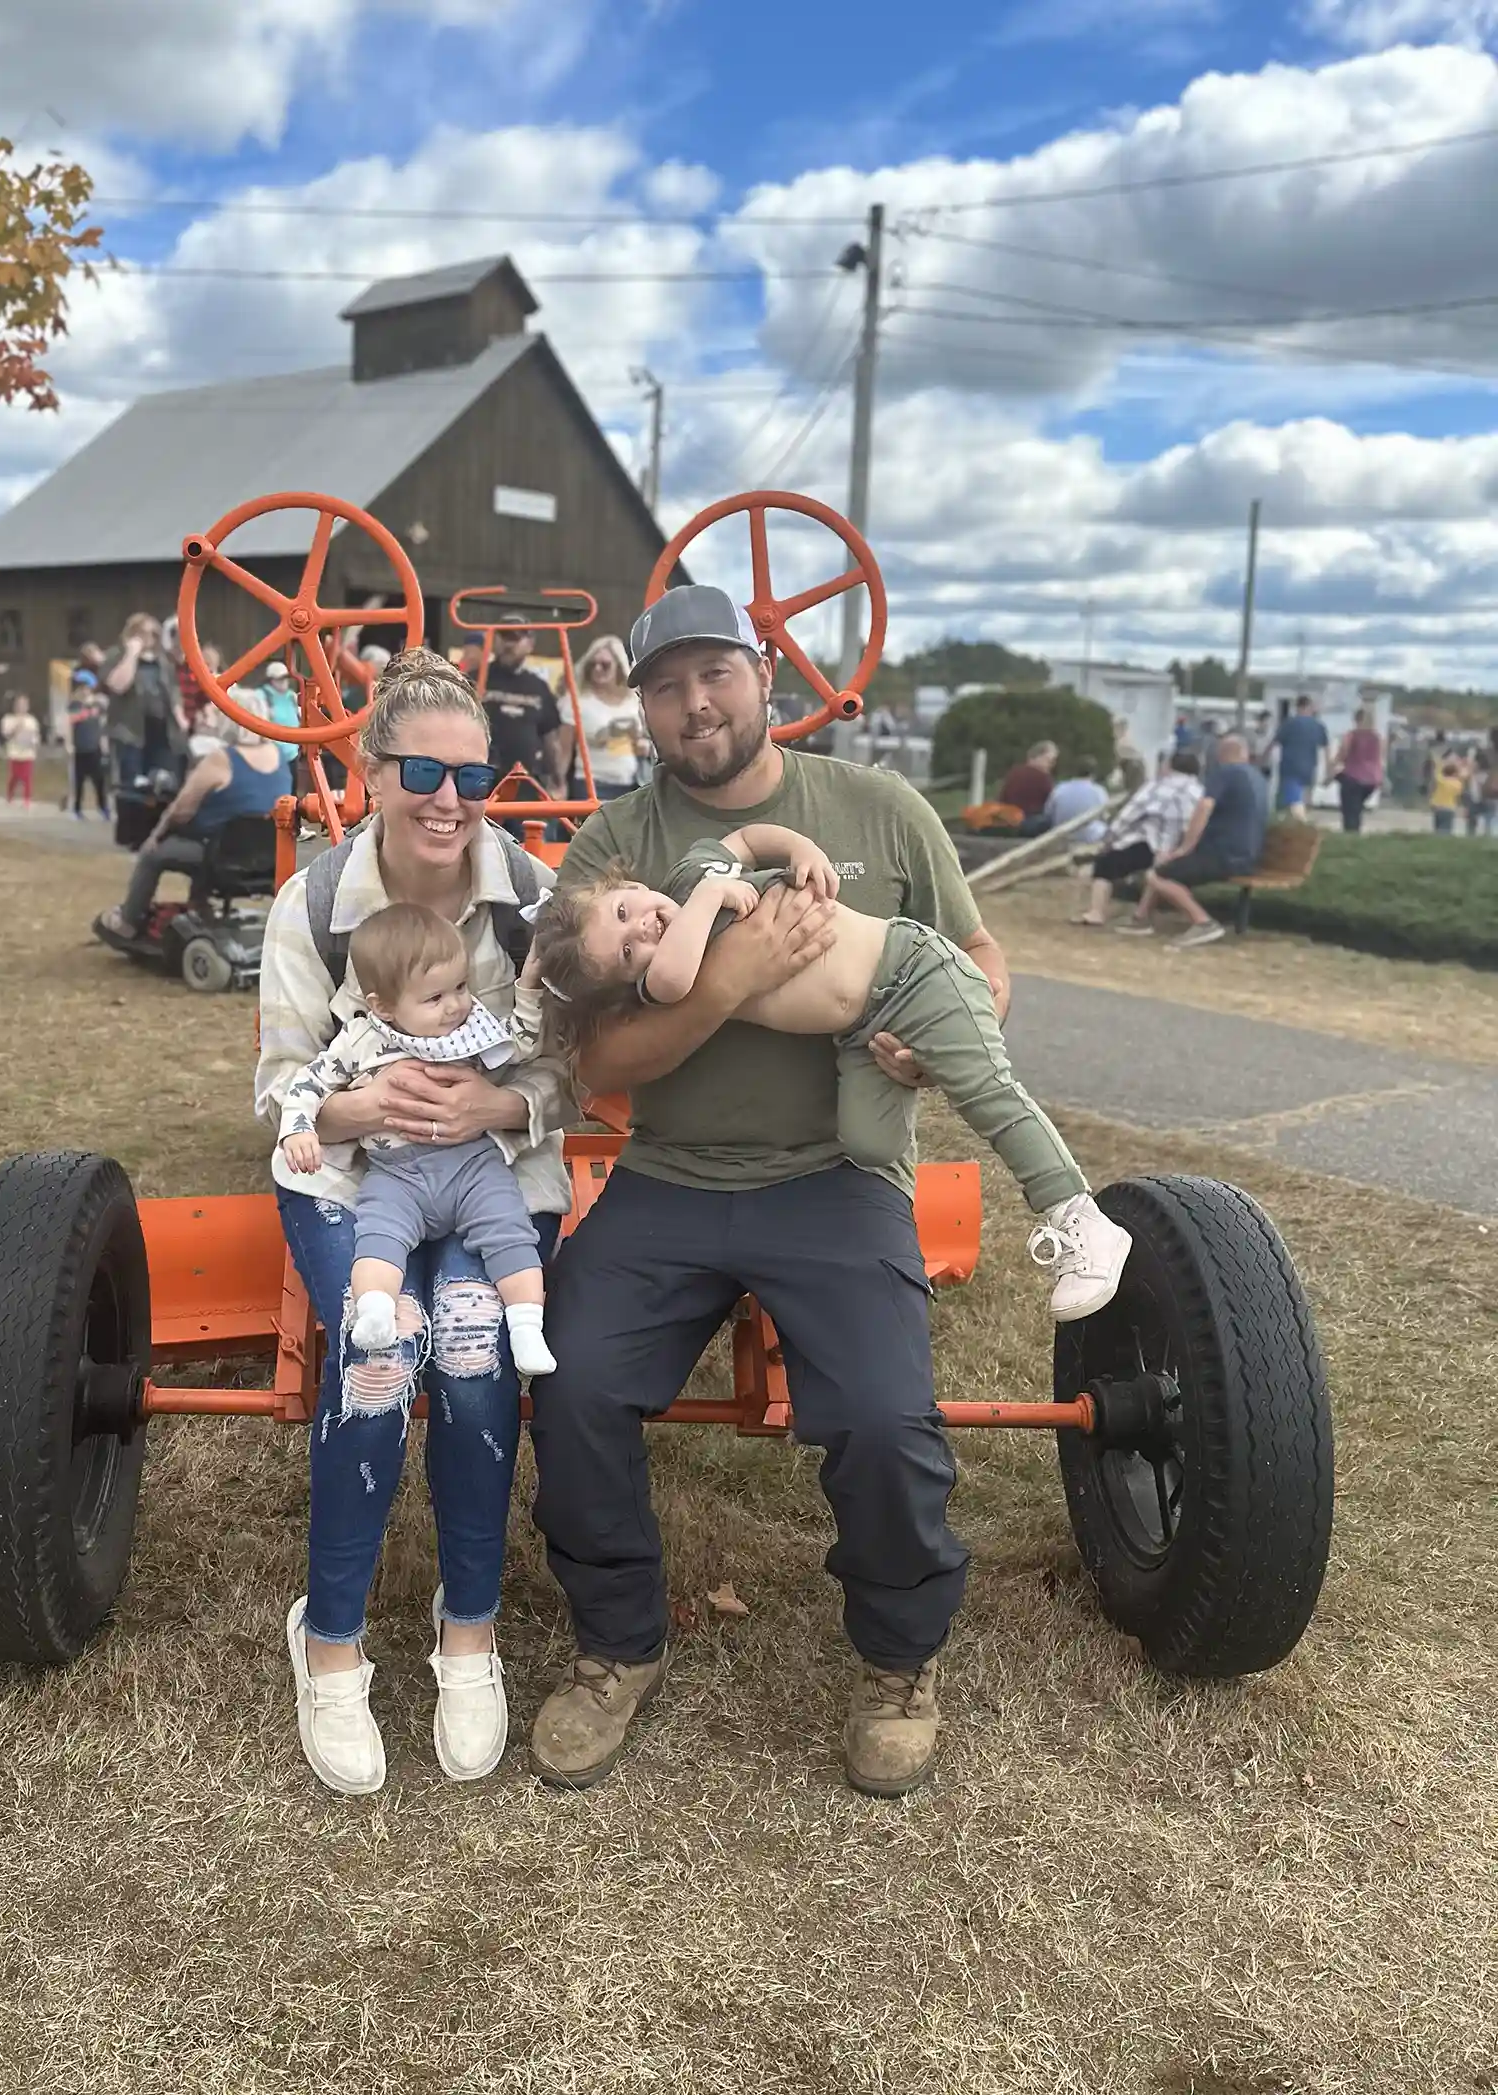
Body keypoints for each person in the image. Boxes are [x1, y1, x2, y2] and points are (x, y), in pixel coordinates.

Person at [525, 583, 1012, 1799]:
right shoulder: (616, 848)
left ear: (764, 677)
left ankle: (899, 1661)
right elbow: (598, 1063)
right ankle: (617, 1640)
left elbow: (984, 960)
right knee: (570, 1377)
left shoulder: (877, 809)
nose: (698, 704)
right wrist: (727, 979)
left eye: (717, 674)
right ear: (640, 707)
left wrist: (939, 1037)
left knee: (888, 1418)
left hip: (836, 1177)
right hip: (671, 1177)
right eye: (668, 685)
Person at [254, 648, 571, 1796]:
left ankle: (468, 1626)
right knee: (378, 1357)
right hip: (359, 1179)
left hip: (490, 1174)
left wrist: (504, 1099)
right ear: (372, 773)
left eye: (472, 776)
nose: (449, 798)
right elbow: (281, 1083)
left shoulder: (534, 898)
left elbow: (570, 1075)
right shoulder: (319, 903)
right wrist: (358, 1103)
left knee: (480, 1346)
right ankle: (330, 1637)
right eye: (422, 772)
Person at [533, 823, 1129, 1320]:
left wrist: (798, 849)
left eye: (624, 908)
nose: (642, 929)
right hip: (863, 1031)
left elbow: (744, 839)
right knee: (870, 1144)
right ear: (624, 983)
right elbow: (671, 979)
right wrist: (712, 901)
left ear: (630, 885)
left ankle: (1078, 1216)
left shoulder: (690, 875)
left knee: (986, 1093)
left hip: (915, 971)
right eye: (625, 952)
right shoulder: (668, 964)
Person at [278, 901, 556, 1378]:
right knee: (378, 1239)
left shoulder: (469, 1025)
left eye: (461, 987)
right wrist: (298, 1129)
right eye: (434, 998)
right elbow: (307, 1085)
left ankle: (527, 1324)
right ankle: (376, 1312)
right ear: (382, 1004)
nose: (455, 1004)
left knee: (509, 1232)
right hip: (397, 1174)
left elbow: (520, 1043)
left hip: (472, 1165)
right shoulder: (361, 1040)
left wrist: (527, 987)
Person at [95, 715, 288, 941]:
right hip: (268, 858)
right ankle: (199, 905)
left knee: (154, 854)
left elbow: (181, 811)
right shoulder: (280, 756)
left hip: (221, 858)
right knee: (212, 839)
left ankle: (127, 922)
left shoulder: (221, 760)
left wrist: (156, 835)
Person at [1117, 732, 1267, 947]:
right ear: (1245, 753)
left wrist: (1186, 847)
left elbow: (1204, 806)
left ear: (1221, 754)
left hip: (1224, 855)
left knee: (1156, 875)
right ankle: (1141, 918)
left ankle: (1203, 922)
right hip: (1249, 855)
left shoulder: (1224, 773)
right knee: (1165, 865)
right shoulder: (1258, 777)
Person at [1071, 750, 1204, 926]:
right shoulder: (1200, 790)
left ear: (1170, 766)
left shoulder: (1157, 786)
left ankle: (1096, 912)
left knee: (1106, 865)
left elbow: (1129, 815)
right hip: (1182, 848)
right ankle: (1141, 915)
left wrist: (1108, 839)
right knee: (1160, 870)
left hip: (1150, 844)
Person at [103, 613, 185, 788]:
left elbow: (173, 691)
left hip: (163, 731)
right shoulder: (116, 656)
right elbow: (117, 685)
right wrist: (131, 654)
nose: (149, 638)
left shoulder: (163, 662)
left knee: (164, 782)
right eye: (142, 633)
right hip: (130, 731)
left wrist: (180, 716)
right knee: (132, 785)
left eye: (153, 634)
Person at [482, 631, 567, 798]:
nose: (509, 645)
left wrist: (558, 780)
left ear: (530, 644)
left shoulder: (538, 687)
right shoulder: (476, 678)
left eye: (515, 639)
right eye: (504, 637)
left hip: (528, 782)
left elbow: (550, 738)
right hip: (484, 781)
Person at [572, 634, 644, 801]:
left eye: (605, 665)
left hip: (630, 783)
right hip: (591, 783)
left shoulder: (633, 699)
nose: (597, 669)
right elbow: (563, 746)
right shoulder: (578, 700)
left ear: (618, 667)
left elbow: (647, 738)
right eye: (593, 664)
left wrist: (642, 744)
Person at [1271, 697, 1329, 820]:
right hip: (1309, 767)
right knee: (1305, 797)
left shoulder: (1288, 724)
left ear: (1297, 707)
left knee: (1289, 800)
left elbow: (1274, 743)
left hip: (1289, 767)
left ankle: (1296, 822)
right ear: (1309, 707)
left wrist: (1262, 759)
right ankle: (1304, 823)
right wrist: (1329, 769)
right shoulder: (1318, 726)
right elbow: (1325, 748)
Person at [1330, 707, 1383, 834]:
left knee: (1349, 811)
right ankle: (1356, 833)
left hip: (1353, 778)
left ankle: (1350, 835)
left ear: (1356, 720)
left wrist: (1332, 766)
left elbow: (1343, 754)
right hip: (1371, 781)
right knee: (1357, 809)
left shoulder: (1352, 735)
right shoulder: (1377, 737)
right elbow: (1379, 757)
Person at [67, 668, 110, 818]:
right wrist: (87, 711)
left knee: (99, 780)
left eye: (86, 688)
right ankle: (77, 808)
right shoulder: (75, 704)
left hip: (94, 747)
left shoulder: (97, 703)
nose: (84, 691)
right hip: (80, 748)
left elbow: (105, 717)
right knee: (79, 781)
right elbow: (72, 718)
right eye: (81, 688)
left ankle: (103, 807)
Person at [1038, 756, 1108, 844]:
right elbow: (1105, 816)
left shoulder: (1060, 789)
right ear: (1093, 773)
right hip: (1090, 837)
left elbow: (1048, 813)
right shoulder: (1099, 791)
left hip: (1062, 837)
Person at [999, 740, 1056, 820]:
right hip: (1030, 824)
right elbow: (1053, 804)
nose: (1052, 765)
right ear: (1037, 757)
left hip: (1007, 821)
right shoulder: (1043, 779)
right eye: (1049, 760)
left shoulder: (1013, 773)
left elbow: (1001, 798)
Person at [1, 694, 40, 807]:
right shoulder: (8, 719)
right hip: (14, 752)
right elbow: (6, 734)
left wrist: (35, 743)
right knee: (15, 776)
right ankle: (10, 795)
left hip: (28, 752)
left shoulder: (32, 720)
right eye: (19, 704)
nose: (21, 707)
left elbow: (35, 735)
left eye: (24, 704)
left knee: (27, 777)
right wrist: (17, 727)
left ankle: (27, 800)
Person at [1429, 754, 1465, 835]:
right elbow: (1462, 775)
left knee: (1437, 829)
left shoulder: (1441, 781)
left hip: (1437, 807)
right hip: (1449, 808)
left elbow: (1437, 771)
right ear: (1454, 773)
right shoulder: (1458, 784)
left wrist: (1439, 762)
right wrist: (1459, 764)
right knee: (1446, 831)